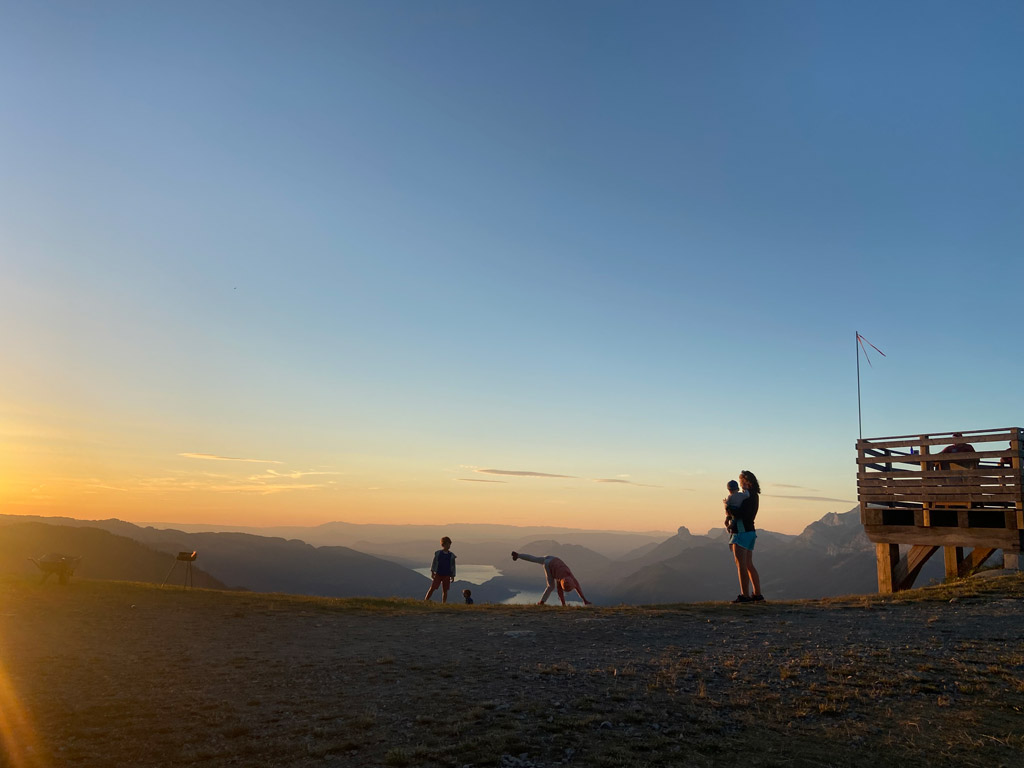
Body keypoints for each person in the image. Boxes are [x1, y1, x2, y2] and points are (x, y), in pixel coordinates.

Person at [726, 470, 763, 603]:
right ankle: (757, 594)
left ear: (746, 481)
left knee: (740, 564)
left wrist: (728, 508)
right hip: (750, 531)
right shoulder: (754, 495)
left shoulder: (747, 497)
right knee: (748, 564)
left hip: (741, 532)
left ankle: (745, 595)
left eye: (741, 481)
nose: (740, 485)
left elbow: (741, 513)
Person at [510, 551, 592, 606]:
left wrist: (584, 600)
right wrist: (564, 604)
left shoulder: (569, 577)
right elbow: (560, 592)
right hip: (549, 565)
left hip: (552, 558)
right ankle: (541, 602)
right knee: (551, 586)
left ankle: (518, 555)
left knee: (535, 559)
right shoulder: (565, 579)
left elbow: (576, 588)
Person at [424, 536, 456, 603]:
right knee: (432, 588)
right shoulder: (438, 553)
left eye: (449, 544)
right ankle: (426, 600)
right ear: (443, 544)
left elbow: (453, 566)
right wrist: (432, 572)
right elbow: (434, 563)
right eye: (447, 544)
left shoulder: (451, 555)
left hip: (447, 575)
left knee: (445, 590)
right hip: (438, 574)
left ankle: (443, 603)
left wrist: (452, 575)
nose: (448, 545)